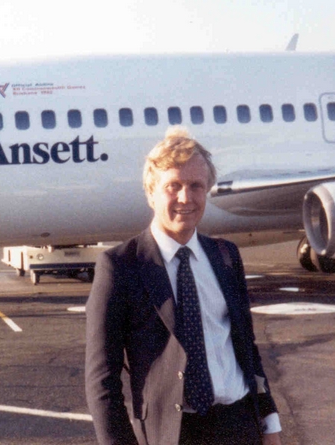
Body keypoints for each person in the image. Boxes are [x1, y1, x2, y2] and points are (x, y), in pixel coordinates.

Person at [85, 127, 282, 445]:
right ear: (151, 192)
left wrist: (270, 424)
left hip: (240, 426)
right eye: (172, 186)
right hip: (174, 433)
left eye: (196, 186)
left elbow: (247, 351)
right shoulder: (120, 267)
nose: (185, 197)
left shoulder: (226, 256)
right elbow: (101, 381)